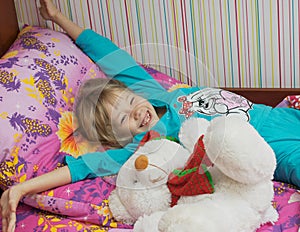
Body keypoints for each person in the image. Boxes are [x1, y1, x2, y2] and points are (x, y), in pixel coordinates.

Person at [1, 0, 300, 231]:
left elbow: (109, 55)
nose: (136, 111)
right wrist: (21, 188)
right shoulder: (147, 143)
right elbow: (80, 169)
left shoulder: (153, 93)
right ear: (119, 138)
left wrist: (57, 16)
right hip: (271, 147)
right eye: (124, 119)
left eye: (131, 100)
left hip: (275, 115)